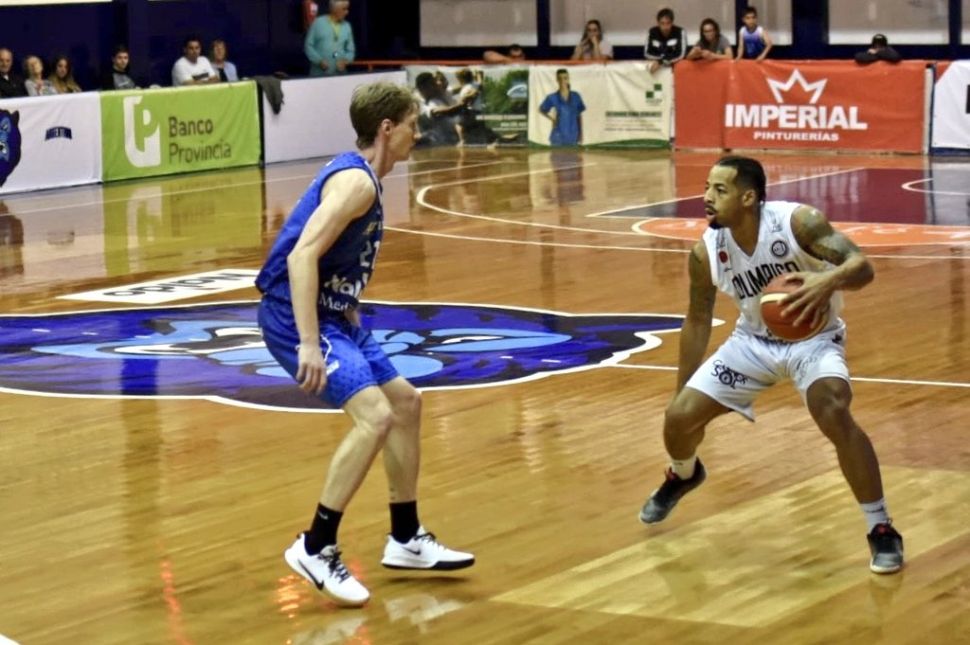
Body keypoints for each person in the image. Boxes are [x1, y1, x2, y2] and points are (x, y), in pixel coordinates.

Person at [255, 81, 475, 607]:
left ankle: (405, 537)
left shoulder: (363, 177)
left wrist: (345, 302)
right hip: (294, 315)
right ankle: (316, 545)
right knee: (374, 416)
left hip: (333, 312)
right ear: (387, 128)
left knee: (406, 404)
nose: (417, 134)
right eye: (412, 125)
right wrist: (309, 343)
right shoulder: (356, 183)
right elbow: (300, 255)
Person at [637, 156, 904, 575]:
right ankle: (684, 474)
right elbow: (698, 319)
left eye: (719, 190)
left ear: (749, 198)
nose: (706, 197)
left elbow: (862, 267)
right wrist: (681, 392)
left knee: (834, 410)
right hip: (753, 343)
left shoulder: (798, 224)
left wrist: (827, 280)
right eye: (706, 187)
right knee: (678, 419)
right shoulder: (706, 252)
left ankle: (881, 527)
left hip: (813, 341)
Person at [305, 0, 356, 77]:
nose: (347, 12)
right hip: (318, 76)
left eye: (347, 9)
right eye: (344, 9)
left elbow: (351, 50)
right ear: (335, 9)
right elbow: (308, 46)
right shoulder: (318, 23)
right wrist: (319, 61)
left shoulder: (347, 26)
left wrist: (345, 61)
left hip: (340, 76)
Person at [538, 68, 585, 146]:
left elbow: (579, 116)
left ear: (568, 79)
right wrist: (552, 119)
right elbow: (541, 109)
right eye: (560, 78)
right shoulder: (552, 97)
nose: (562, 81)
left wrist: (581, 134)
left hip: (573, 135)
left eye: (565, 78)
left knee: (573, 154)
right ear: (557, 80)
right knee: (556, 153)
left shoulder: (576, 96)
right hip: (558, 136)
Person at [645, 8, 687, 74]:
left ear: (672, 23)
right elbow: (647, 53)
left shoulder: (680, 32)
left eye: (668, 23)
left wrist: (661, 61)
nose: (665, 27)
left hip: (675, 70)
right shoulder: (651, 32)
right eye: (662, 23)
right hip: (655, 69)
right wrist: (665, 58)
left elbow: (681, 55)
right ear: (658, 23)